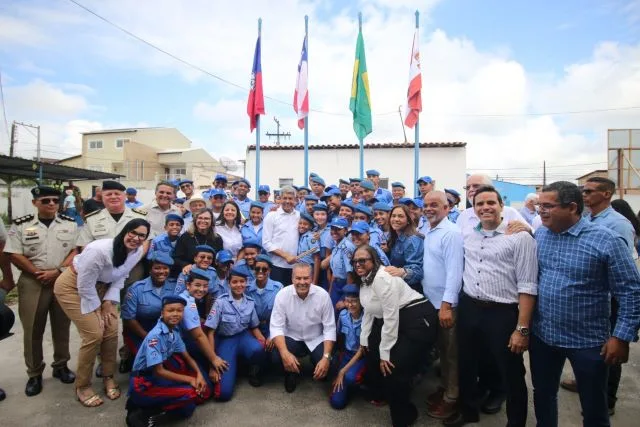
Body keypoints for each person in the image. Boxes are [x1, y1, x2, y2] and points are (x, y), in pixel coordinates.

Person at [531, 181, 640, 427]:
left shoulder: (607, 240)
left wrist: (621, 337)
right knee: (543, 395)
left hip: (588, 342)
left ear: (571, 207)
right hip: (544, 337)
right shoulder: (541, 235)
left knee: (594, 406)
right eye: (540, 206)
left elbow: (631, 291)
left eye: (548, 206)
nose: (541, 212)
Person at [450, 186, 537, 427]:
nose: (485, 207)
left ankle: (516, 422)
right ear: (473, 209)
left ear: (502, 206)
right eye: (479, 204)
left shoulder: (519, 237)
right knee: (466, 363)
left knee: (510, 371)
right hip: (470, 307)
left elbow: (528, 285)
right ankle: (468, 412)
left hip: (502, 312)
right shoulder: (468, 234)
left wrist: (522, 328)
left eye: (491, 202)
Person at [54, 218, 150, 407]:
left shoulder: (137, 251)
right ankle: (82, 385)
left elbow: (121, 275)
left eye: (142, 235)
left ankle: (108, 376)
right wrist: (96, 308)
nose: (136, 238)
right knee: (94, 334)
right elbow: (84, 284)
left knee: (111, 330)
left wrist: (108, 301)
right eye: (133, 232)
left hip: (103, 289)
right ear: (125, 231)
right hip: (73, 287)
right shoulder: (99, 250)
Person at [561, 177, 637, 403]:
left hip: (610, 296)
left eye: (591, 191)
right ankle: (584, 382)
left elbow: (622, 269)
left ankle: (608, 398)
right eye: (583, 190)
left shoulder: (618, 224)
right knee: (590, 349)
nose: (585, 194)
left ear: (606, 194)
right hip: (590, 296)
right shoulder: (588, 218)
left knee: (610, 348)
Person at [4, 186, 78, 397]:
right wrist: (38, 272)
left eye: (55, 200)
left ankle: (61, 365)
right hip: (32, 282)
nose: (52, 204)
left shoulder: (70, 224)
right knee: (33, 329)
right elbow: (14, 253)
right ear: (35, 202)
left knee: (62, 325)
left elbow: (76, 250)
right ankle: (35, 373)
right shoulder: (22, 225)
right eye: (46, 200)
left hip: (61, 279)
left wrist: (57, 271)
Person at [354, 245, 437, 427]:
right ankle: (383, 392)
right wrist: (364, 339)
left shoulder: (382, 278)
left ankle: (405, 416)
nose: (358, 264)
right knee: (372, 349)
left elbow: (391, 317)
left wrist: (385, 354)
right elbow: (369, 310)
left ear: (374, 261)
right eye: (355, 261)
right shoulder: (365, 279)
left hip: (417, 317)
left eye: (363, 260)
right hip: (397, 317)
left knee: (393, 366)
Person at [125, 296, 210, 427]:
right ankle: (143, 411)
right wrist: (190, 380)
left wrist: (199, 374)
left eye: (179, 310)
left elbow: (187, 356)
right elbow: (159, 371)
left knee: (188, 409)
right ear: (162, 313)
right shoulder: (156, 336)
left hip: (155, 378)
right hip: (143, 382)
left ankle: (144, 403)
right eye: (171, 310)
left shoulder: (173, 331)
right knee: (192, 392)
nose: (175, 314)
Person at [420, 191, 465, 419]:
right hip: (433, 303)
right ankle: (447, 388)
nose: (428, 208)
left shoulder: (451, 233)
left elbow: (454, 273)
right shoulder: (430, 230)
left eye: (434, 205)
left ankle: (452, 398)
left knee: (451, 354)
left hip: (446, 305)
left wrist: (447, 306)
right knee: (443, 351)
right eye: (426, 205)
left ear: (447, 208)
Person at [270, 263, 335, 393]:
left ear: (311, 278)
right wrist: (285, 353)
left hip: (316, 338)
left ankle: (316, 362)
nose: (302, 282)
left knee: (330, 367)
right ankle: (291, 373)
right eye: (298, 278)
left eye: (306, 278)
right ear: (292, 279)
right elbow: (276, 326)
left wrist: (326, 357)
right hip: (292, 338)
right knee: (275, 356)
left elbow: (330, 328)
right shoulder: (282, 295)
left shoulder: (323, 295)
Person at [205, 267, 267, 400]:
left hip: (243, 337)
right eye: (235, 282)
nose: (239, 285)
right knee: (224, 394)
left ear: (246, 283)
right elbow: (210, 333)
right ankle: (232, 369)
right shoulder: (220, 302)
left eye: (242, 282)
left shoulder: (250, 302)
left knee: (260, 349)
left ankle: (252, 370)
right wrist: (212, 364)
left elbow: (254, 327)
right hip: (225, 340)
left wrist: (264, 343)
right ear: (229, 283)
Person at [121, 253, 177, 367]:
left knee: (173, 363)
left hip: (167, 330)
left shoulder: (175, 286)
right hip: (141, 330)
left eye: (165, 268)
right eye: (157, 268)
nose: (161, 271)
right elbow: (129, 319)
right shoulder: (136, 288)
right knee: (148, 362)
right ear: (150, 270)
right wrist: (148, 337)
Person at [77, 180, 148, 248]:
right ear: (102, 197)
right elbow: (84, 245)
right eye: (108, 194)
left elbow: (146, 243)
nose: (113, 197)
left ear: (124, 196)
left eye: (117, 194)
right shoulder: (91, 219)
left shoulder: (140, 217)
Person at [456, 174, 530, 238]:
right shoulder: (463, 215)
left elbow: (530, 234)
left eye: (476, 186)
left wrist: (527, 230)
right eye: (468, 187)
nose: (471, 189)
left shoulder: (509, 212)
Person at [329, 284, 366, 410]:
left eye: (354, 301)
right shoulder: (343, 315)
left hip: (361, 356)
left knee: (350, 377)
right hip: (347, 354)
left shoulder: (367, 318)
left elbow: (362, 349)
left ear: (361, 301)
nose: (350, 305)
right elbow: (338, 336)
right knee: (336, 403)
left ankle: (361, 384)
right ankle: (345, 385)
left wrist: (342, 371)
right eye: (347, 301)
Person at [262, 186, 301, 286]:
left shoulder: (299, 216)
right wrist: (286, 256)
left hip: (295, 267)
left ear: (295, 200)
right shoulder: (271, 216)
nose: (287, 201)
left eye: (290, 198)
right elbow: (266, 243)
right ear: (280, 199)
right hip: (276, 266)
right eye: (285, 198)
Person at [173, 209, 223, 283]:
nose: (203, 221)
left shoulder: (217, 239)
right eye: (200, 218)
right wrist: (185, 265)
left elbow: (218, 261)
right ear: (195, 220)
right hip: (189, 276)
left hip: (210, 277)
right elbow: (176, 258)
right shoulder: (186, 237)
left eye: (206, 218)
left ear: (212, 221)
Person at [385, 204, 424, 292]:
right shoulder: (394, 237)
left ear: (408, 220)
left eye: (400, 216)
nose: (396, 219)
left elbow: (417, 271)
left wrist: (402, 272)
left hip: (410, 290)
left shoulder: (412, 240)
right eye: (393, 216)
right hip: (398, 287)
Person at [245, 254, 283, 343]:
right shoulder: (247, 288)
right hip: (252, 327)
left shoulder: (278, 288)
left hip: (272, 327)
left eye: (264, 269)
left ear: (269, 270)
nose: (260, 271)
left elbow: (281, 314)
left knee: (274, 351)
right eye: (257, 268)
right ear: (254, 269)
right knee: (255, 350)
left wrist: (272, 335)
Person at [325, 217, 356, 310]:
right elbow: (335, 272)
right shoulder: (337, 245)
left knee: (338, 313)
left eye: (338, 229)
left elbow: (350, 274)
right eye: (332, 229)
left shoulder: (347, 247)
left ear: (345, 230)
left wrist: (345, 298)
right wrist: (330, 291)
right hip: (336, 284)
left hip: (344, 285)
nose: (334, 231)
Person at [297, 212, 321, 286]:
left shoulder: (311, 237)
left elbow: (317, 258)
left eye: (305, 224)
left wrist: (315, 280)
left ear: (310, 226)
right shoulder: (301, 236)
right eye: (300, 223)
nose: (302, 226)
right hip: (300, 268)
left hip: (309, 270)